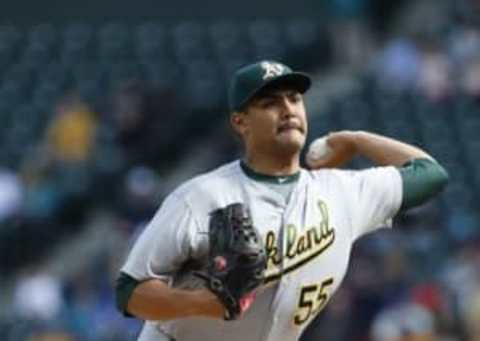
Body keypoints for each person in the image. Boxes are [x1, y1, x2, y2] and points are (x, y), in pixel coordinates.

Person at [115, 60, 449, 341]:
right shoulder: (201, 197)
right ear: (240, 122)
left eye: (294, 99)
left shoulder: (342, 192)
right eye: (270, 102)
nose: (287, 109)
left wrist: (357, 141)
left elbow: (430, 174)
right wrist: (203, 303)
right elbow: (129, 292)